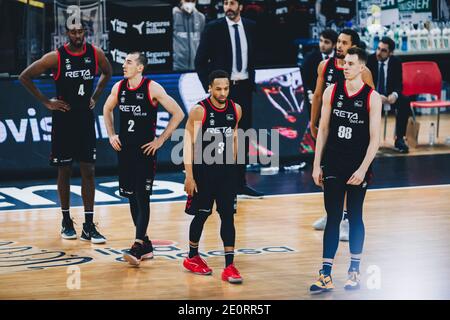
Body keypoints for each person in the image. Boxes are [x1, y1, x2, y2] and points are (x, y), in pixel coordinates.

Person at [19, 22, 112, 243]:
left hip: (85, 119)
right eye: (73, 32)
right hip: (63, 120)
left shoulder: (95, 53)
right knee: (65, 170)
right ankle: (66, 221)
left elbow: (108, 72)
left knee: (89, 170)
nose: (78, 35)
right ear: (66, 34)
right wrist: (46, 102)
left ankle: (89, 225)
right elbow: (24, 76)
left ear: (85, 33)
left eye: (81, 32)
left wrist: (96, 97)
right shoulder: (56, 57)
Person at [310, 47, 382, 294]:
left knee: (354, 215)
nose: (345, 67)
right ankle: (325, 274)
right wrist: (316, 163)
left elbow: (375, 140)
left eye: (350, 63)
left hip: (357, 166)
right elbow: (324, 130)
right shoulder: (332, 91)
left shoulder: (372, 98)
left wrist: (363, 169)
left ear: (362, 67)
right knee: (332, 216)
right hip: (333, 162)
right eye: (344, 63)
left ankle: (354, 271)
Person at [103, 52, 184, 266]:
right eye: (124, 62)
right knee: (131, 197)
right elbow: (106, 109)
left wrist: (160, 141)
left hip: (145, 152)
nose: (124, 65)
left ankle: (138, 245)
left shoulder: (152, 87)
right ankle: (145, 244)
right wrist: (112, 134)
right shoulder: (118, 87)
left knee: (142, 196)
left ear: (140, 67)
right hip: (125, 151)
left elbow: (178, 113)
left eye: (128, 62)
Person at [310, 29, 375, 240]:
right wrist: (313, 121)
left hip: (354, 132)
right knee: (329, 173)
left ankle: (346, 219)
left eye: (343, 43)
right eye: (337, 42)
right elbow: (318, 95)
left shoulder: (363, 72)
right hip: (331, 126)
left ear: (353, 47)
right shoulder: (325, 66)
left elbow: (370, 101)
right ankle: (332, 215)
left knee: (349, 176)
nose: (338, 46)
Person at [195, 0, 263, 198]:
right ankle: (218, 185)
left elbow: (254, 56)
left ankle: (240, 184)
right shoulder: (213, 28)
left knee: (241, 136)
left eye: (232, 3)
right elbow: (200, 61)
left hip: (244, 89)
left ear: (240, 6)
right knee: (220, 137)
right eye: (225, 3)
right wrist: (211, 89)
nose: (228, 7)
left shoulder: (251, 27)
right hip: (223, 91)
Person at [182, 70, 243, 284]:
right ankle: (192, 257)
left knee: (228, 216)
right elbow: (188, 144)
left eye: (226, 88)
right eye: (218, 88)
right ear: (209, 88)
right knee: (201, 215)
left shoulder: (235, 109)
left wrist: (233, 169)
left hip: (226, 173)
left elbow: (235, 138)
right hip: (203, 172)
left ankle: (229, 266)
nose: (223, 92)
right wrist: (189, 176)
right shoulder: (200, 110)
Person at [367, 36, 410, 153]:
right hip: (372, 95)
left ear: (390, 53)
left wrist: (394, 95)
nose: (379, 52)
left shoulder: (396, 62)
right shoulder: (370, 60)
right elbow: (364, 83)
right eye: (378, 48)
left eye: (383, 50)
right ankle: (367, 140)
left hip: (388, 96)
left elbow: (399, 84)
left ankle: (399, 139)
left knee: (405, 101)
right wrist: (375, 94)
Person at [302, 29, 338, 118]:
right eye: (321, 41)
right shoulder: (310, 58)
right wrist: (309, 93)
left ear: (334, 45)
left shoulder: (340, 59)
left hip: (334, 101)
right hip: (314, 98)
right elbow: (303, 78)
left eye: (326, 42)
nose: (322, 45)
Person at [173, 0, 206, 71]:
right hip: (177, 67)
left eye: (192, 1)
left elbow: (202, 42)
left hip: (196, 67)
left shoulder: (201, 17)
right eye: (187, 0)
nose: (189, 3)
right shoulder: (173, 15)